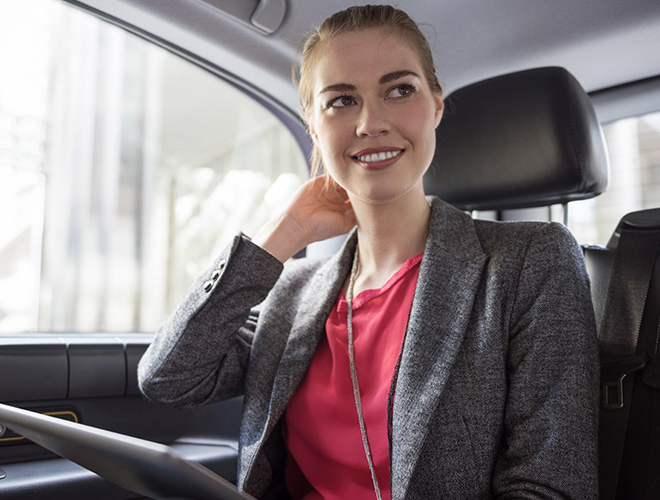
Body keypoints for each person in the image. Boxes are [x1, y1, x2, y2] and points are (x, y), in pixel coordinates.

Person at [138, 5, 599, 499]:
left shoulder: (530, 263)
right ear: (313, 127)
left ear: (436, 106)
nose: (371, 122)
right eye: (341, 101)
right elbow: (170, 376)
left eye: (400, 90)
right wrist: (281, 235)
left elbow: (549, 488)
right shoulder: (293, 292)